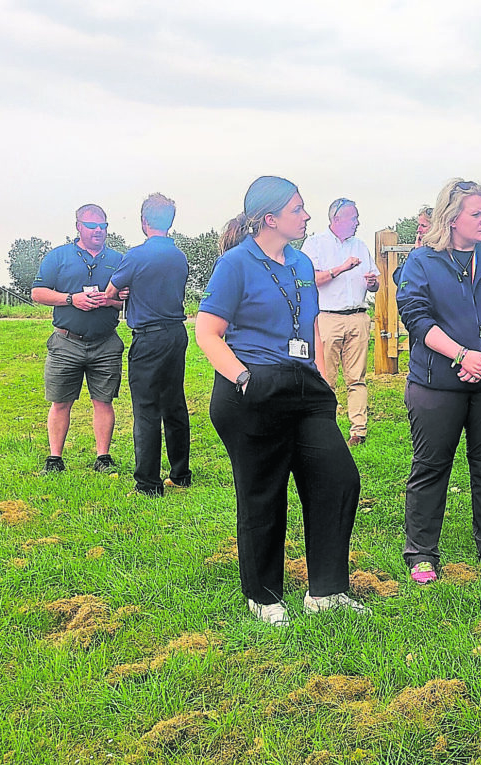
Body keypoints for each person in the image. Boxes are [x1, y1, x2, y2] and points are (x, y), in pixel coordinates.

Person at [196, 176, 362, 626]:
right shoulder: (235, 264)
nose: (307, 216)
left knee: (338, 480)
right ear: (270, 219)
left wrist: (322, 380)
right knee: (263, 494)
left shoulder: (303, 264)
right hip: (252, 387)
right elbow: (207, 332)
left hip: (304, 386)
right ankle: (264, 596)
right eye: (298, 209)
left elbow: (309, 326)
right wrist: (245, 378)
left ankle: (326, 591)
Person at [395, 179, 481, 585]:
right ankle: (421, 552)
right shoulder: (422, 261)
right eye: (477, 214)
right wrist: (461, 355)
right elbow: (416, 317)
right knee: (430, 467)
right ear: (452, 219)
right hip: (437, 384)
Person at [104, 193, 192, 497]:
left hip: (148, 337)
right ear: (171, 221)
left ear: (144, 222)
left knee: (146, 409)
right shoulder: (179, 256)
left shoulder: (136, 256)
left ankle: (148, 484)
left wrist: (122, 295)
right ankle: (181, 473)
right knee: (175, 404)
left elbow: (109, 293)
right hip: (176, 333)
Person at [31, 204, 128, 474]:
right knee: (60, 401)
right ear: (78, 226)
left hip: (105, 342)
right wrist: (72, 299)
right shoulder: (58, 256)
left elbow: (128, 302)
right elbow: (37, 293)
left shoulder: (119, 259)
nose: (98, 231)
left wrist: (109, 301)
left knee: (103, 401)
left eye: (103, 226)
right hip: (66, 342)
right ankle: (54, 459)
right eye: (92, 226)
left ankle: (103, 457)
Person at [303, 198, 379, 447]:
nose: (358, 222)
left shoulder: (361, 245)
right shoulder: (314, 244)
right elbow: (310, 280)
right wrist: (341, 268)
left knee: (357, 378)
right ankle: (326, 427)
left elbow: (376, 282)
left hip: (358, 316)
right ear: (336, 219)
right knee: (326, 378)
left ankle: (359, 430)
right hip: (328, 318)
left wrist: (372, 284)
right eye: (353, 218)